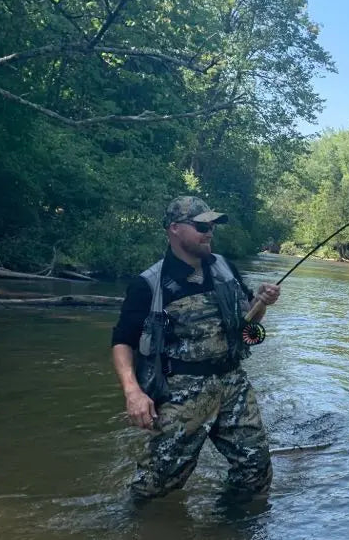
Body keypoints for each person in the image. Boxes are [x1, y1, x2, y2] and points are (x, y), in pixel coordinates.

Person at [111, 196, 281, 504]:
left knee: (255, 473)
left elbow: (247, 326)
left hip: (233, 384)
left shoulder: (225, 268)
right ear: (174, 229)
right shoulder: (148, 284)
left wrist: (262, 304)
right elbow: (122, 340)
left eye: (212, 226)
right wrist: (132, 392)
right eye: (202, 226)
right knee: (155, 486)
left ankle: (229, 537)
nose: (209, 232)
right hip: (181, 393)